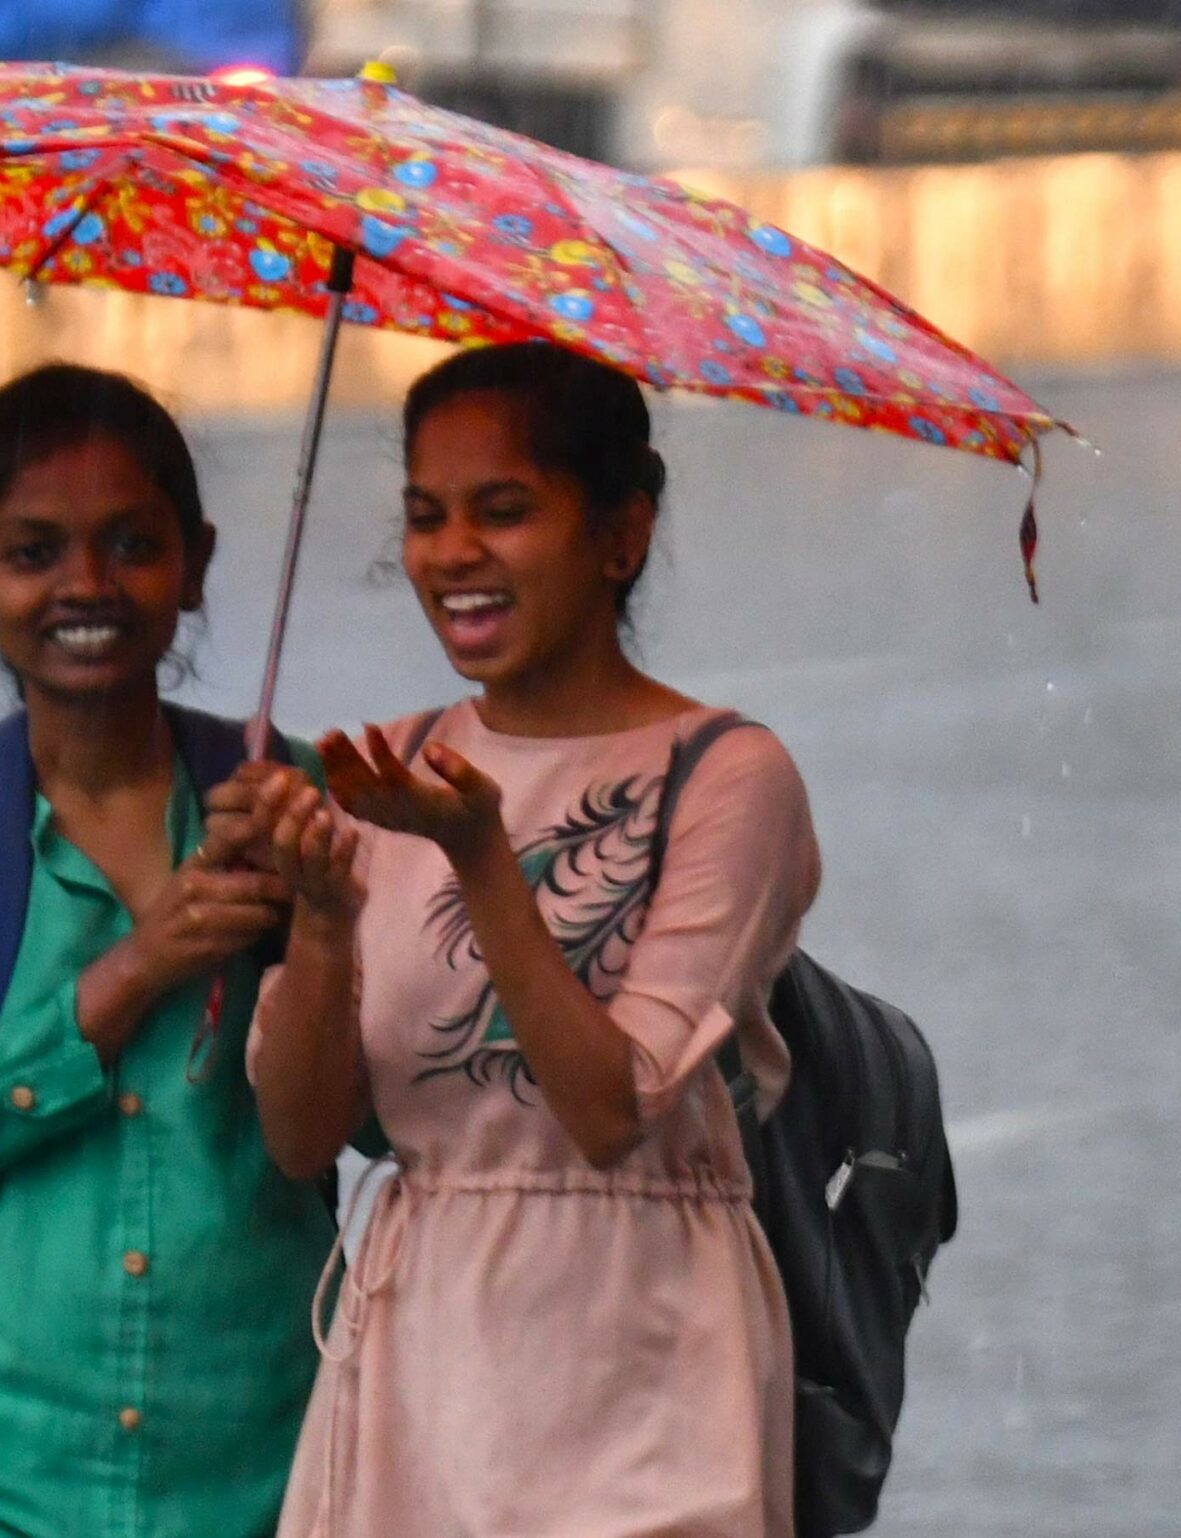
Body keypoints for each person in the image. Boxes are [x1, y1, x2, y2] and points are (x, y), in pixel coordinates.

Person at [234, 341, 822, 1537]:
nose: (453, 552)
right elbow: (299, 1137)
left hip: (644, 1349)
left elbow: (610, 1109)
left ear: (621, 535)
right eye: (425, 517)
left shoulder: (725, 775)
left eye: (502, 511)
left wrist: (480, 855)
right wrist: (323, 918)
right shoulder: (388, 765)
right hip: (423, 1351)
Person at [0, 363, 332, 1537]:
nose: (86, 585)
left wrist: (321, 917)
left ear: (197, 563)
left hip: (258, 1476)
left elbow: (355, 1130)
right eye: (33, 552)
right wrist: (137, 966)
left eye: (132, 544)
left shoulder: (285, 797)